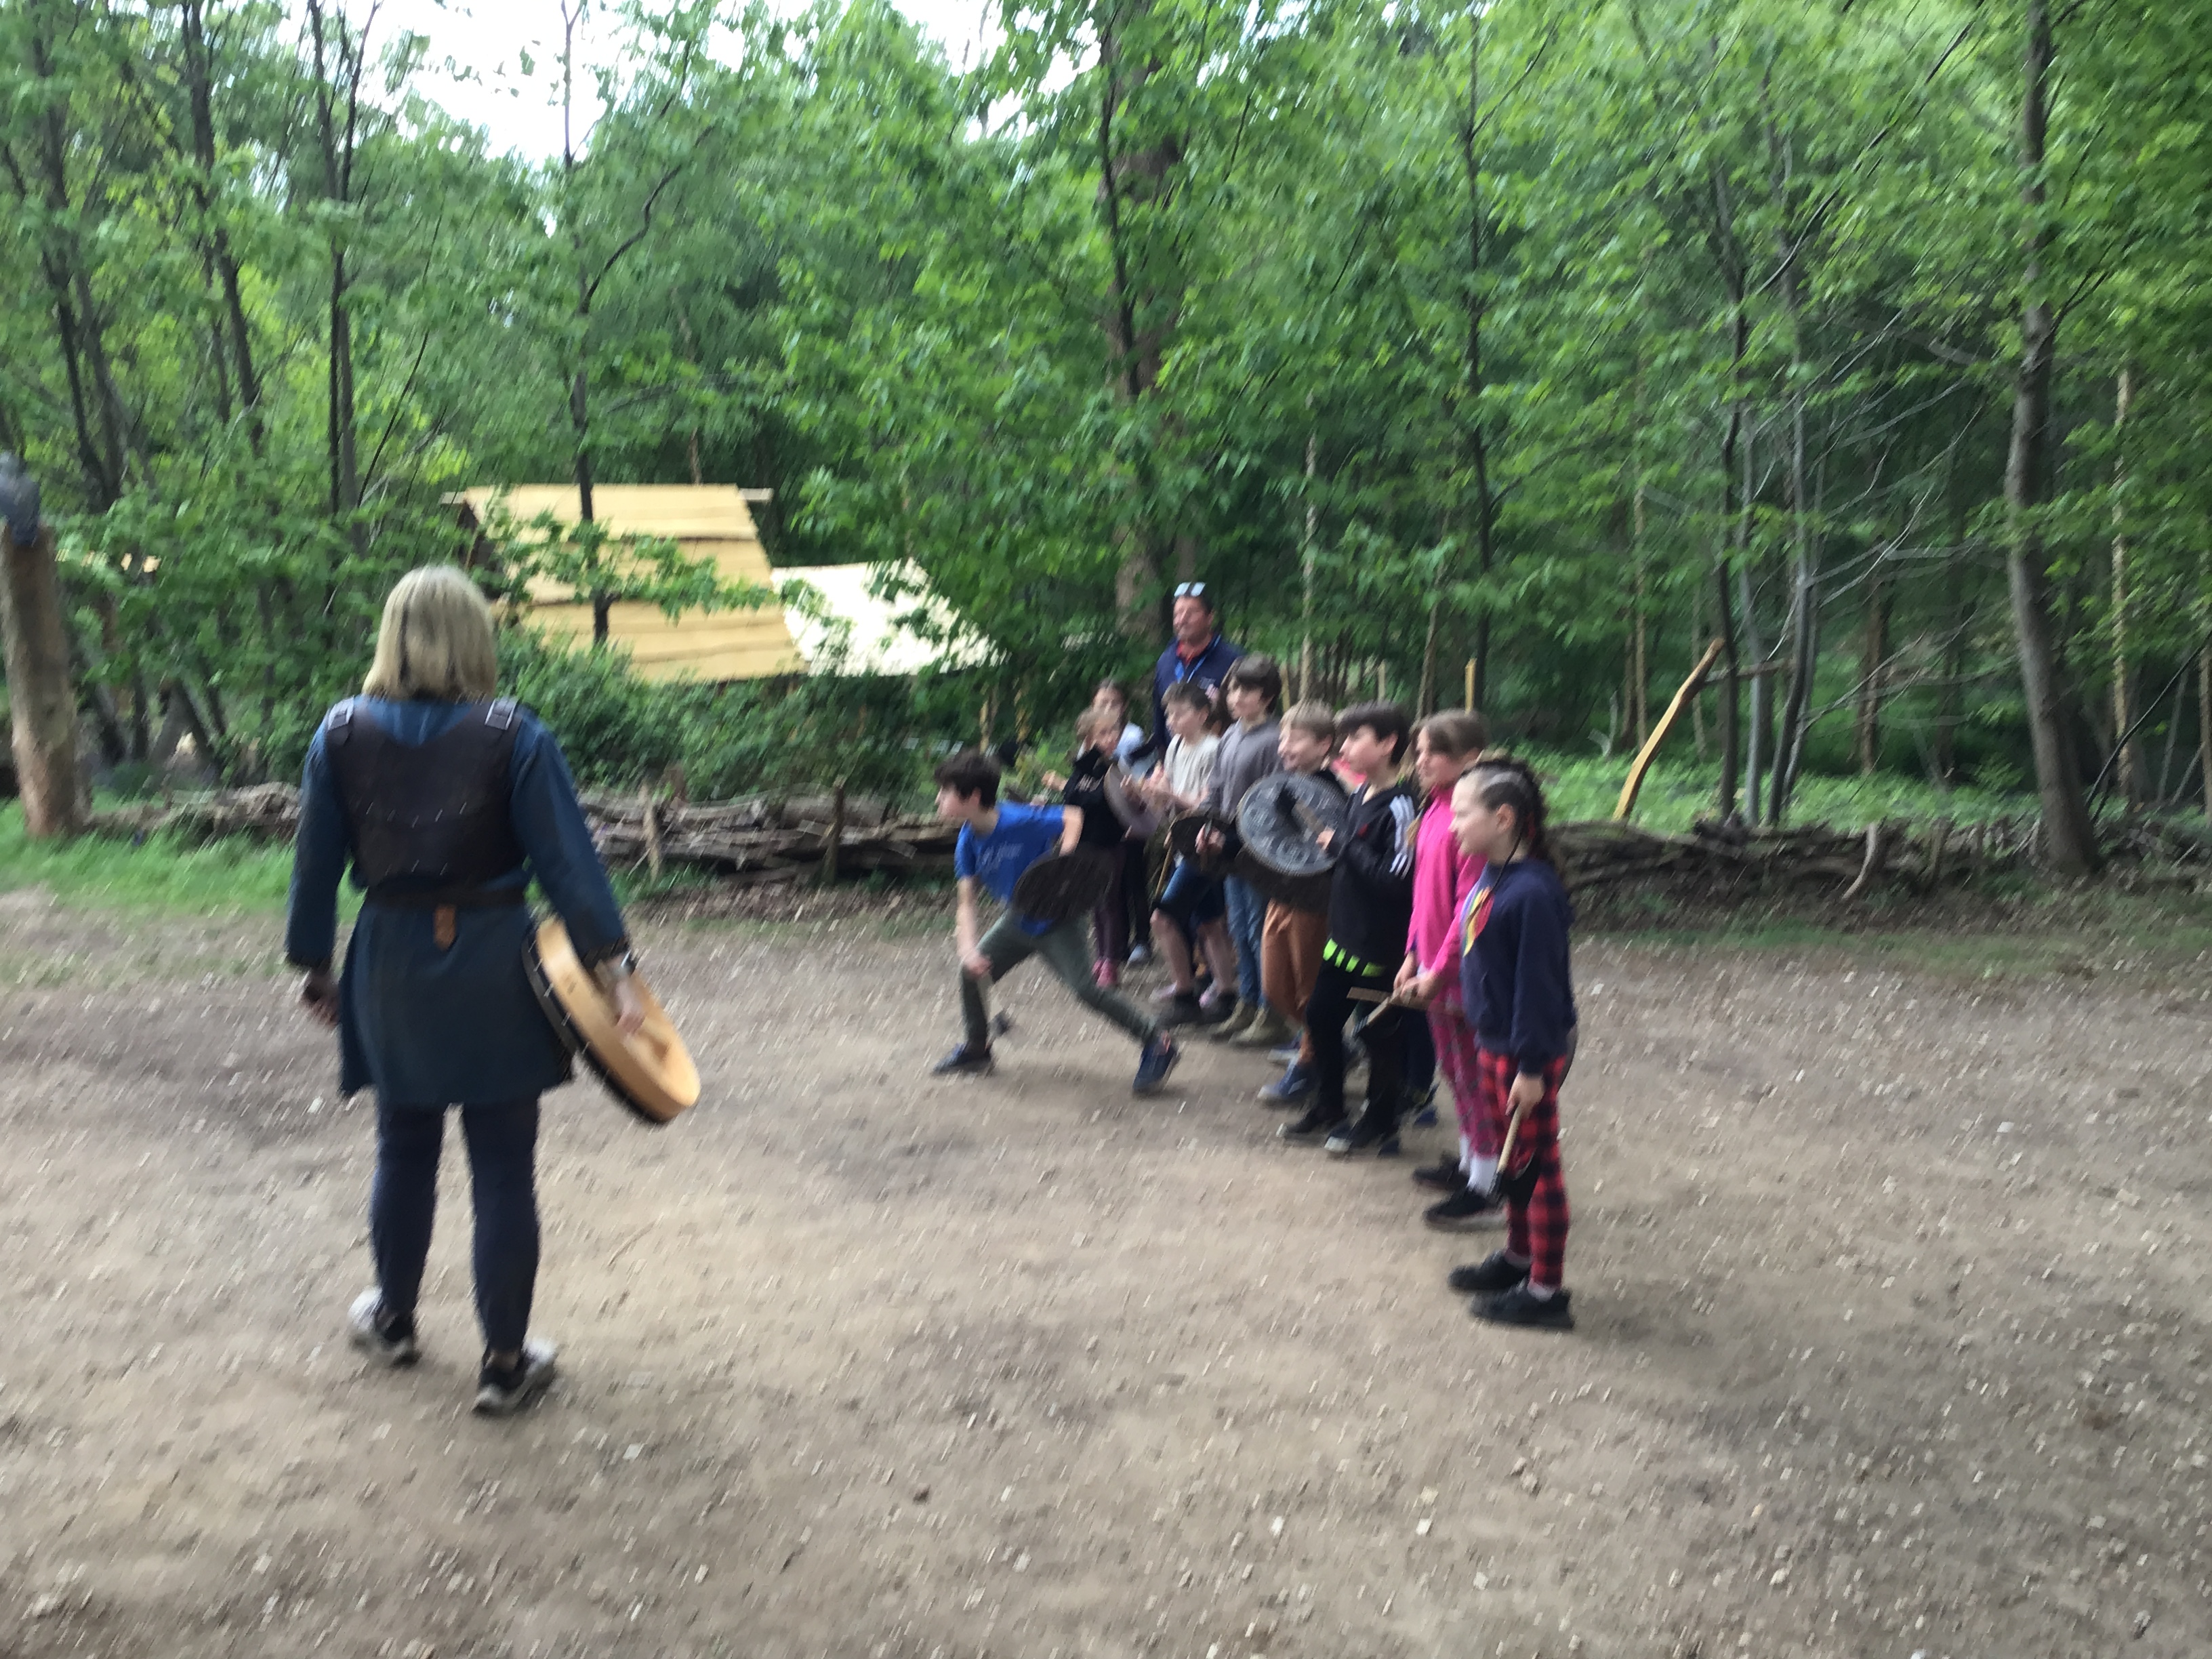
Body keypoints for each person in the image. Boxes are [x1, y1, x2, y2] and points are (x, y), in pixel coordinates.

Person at [286, 565, 645, 1417]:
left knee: (403, 1147)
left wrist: (316, 966)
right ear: (476, 637)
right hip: (495, 966)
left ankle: (395, 1321)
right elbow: (569, 866)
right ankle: (505, 1365)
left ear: (391, 635)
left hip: (391, 964)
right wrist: (618, 973)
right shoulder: (514, 734)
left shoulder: (339, 733)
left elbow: (314, 867)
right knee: (504, 1167)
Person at [929, 749, 1182, 1094]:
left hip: (1058, 919)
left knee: (1086, 989)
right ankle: (977, 1048)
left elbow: (1073, 817)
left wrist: (1063, 866)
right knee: (970, 974)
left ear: (972, 797)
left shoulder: (1018, 819)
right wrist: (968, 949)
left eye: (945, 792)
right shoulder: (967, 841)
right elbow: (966, 903)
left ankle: (1158, 1042)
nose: (938, 799)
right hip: (1018, 920)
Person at [1445, 757, 1580, 1331]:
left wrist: (1531, 1067)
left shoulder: (1533, 894)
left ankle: (1546, 1292)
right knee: (1513, 1160)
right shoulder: (1491, 876)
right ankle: (1519, 1257)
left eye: (1462, 814)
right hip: (1495, 1042)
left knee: (1537, 1166)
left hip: (1526, 1053)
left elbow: (1539, 991)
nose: (1452, 826)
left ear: (1503, 819)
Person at [1278, 701, 1420, 1155]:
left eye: (1356, 738)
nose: (1344, 748)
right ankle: (1330, 1107)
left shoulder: (1401, 806)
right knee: (1321, 1017)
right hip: (1343, 939)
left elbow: (1395, 880)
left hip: (1379, 946)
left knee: (1379, 1033)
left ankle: (1381, 1120)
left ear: (1388, 744)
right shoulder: (1359, 794)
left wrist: (1342, 846)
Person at [1391, 712, 1498, 1228]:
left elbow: (1468, 906)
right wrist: (1413, 954)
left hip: (1463, 973)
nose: (1422, 760)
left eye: (1434, 751)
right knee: (1455, 1072)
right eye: (1419, 750)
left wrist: (1438, 968)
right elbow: (1422, 898)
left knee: (1475, 1077)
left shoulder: (1470, 823)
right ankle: (1472, 1163)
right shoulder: (1433, 810)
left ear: (1470, 758)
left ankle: (1488, 1184)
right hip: (1432, 968)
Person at [1249, 702, 1347, 1096]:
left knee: (1311, 989)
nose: (1285, 746)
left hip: (1317, 903)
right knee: (1274, 987)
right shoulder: (1283, 783)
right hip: (1282, 894)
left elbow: (1335, 847)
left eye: (1296, 739)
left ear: (1324, 744)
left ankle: (1310, 1064)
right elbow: (1267, 839)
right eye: (1283, 738)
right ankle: (1329, 1045)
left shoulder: (1337, 791)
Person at [1196, 654, 1284, 1042]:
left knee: (1259, 931)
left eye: (1247, 690)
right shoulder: (1230, 735)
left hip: (1260, 853)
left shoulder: (1275, 740)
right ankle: (1246, 1003)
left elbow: (1273, 802)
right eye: (1233, 689)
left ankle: (1271, 1012)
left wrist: (1231, 836)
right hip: (1229, 853)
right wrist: (1203, 827)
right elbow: (1216, 791)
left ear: (1267, 696)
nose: (1236, 697)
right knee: (1239, 929)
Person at [1142, 681, 1237, 1021]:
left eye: (1180, 714)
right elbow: (1167, 799)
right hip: (1184, 846)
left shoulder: (1213, 750)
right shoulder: (1175, 746)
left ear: (1202, 714)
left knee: (1162, 918)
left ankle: (1185, 995)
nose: (1171, 721)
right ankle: (1226, 994)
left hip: (1205, 848)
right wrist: (1149, 793)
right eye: (1169, 714)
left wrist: (1169, 795)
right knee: (1209, 923)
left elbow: (1208, 805)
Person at [1061, 709, 1135, 986]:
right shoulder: (1081, 768)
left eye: (1114, 731)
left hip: (1111, 845)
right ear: (1089, 738)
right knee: (1095, 902)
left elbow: (1120, 805)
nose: (1112, 737)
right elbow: (1071, 799)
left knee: (1110, 902)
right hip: (1086, 844)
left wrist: (1131, 797)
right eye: (1104, 733)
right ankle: (1100, 957)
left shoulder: (1116, 768)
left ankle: (1111, 962)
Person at [1089, 679, 1156, 965]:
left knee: (1134, 881)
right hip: (1105, 824)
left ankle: (1142, 940)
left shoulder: (1132, 736)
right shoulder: (1090, 735)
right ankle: (1117, 944)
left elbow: (1139, 777)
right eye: (1102, 703)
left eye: (1114, 703)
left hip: (1131, 815)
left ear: (1124, 706)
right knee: (1111, 887)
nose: (1108, 708)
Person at [1149, 582, 1242, 752]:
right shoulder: (1166, 661)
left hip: (1220, 757)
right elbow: (1159, 718)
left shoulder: (1234, 661)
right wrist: (1161, 759)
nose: (1182, 620)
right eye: (1178, 613)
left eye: (1191, 613)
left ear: (1210, 618)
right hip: (1175, 757)